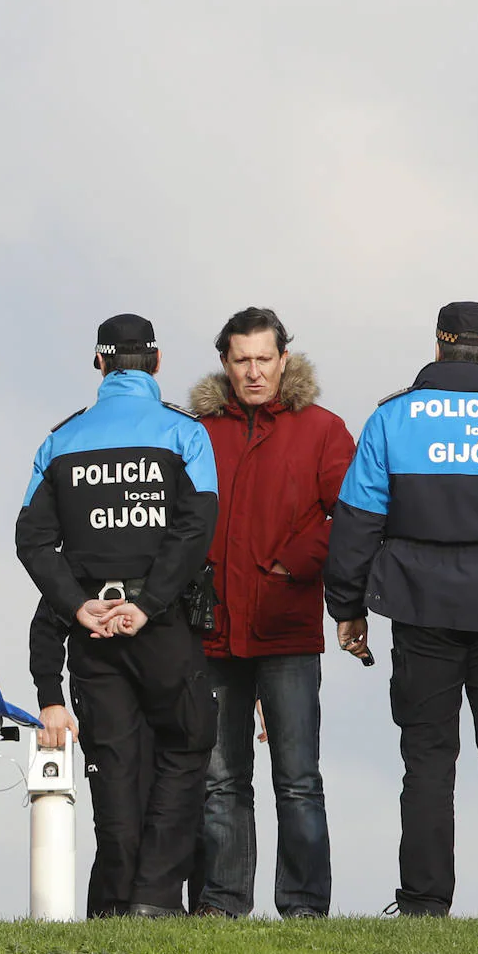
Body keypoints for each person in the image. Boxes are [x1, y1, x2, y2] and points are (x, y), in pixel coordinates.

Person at [325, 302, 478, 917]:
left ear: (438, 345)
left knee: (428, 757)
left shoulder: (391, 419)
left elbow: (355, 524)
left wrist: (348, 607)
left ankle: (424, 904)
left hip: (419, 609)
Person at [19, 313, 219, 918]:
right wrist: (149, 602)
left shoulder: (61, 440)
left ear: (99, 364)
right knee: (186, 748)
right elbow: (197, 530)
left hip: (92, 633)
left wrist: (79, 605)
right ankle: (156, 902)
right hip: (160, 628)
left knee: (114, 770)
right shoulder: (185, 434)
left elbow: (32, 539)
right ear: (157, 364)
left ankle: (113, 906)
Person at [186, 307, 355, 919]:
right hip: (213, 632)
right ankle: (223, 903)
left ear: (284, 358)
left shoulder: (324, 429)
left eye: (264, 358)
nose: (254, 371)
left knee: (298, 777)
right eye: (242, 360)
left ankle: (305, 908)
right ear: (226, 365)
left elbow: (353, 516)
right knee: (221, 779)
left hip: (286, 628)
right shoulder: (199, 431)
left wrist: (294, 562)